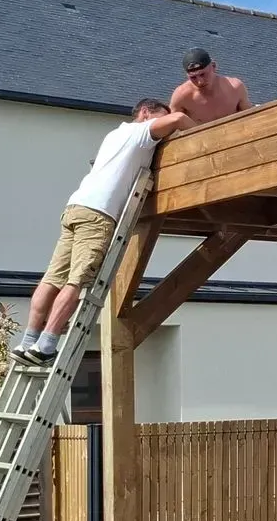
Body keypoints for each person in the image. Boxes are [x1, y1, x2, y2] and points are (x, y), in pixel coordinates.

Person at [14, 99, 193, 366]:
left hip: (75, 207)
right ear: (145, 113)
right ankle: (46, 345)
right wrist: (199, 130)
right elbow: (178, 119)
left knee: (52, 279)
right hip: (98, 215)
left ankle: (28, 341)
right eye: (158, 118)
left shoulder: (114, 134)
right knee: (76, 281)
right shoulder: (140, 133)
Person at [169, 46, 251, 124]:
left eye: (203, 74)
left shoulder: (235, 88)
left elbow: (251, 118)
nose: (200, 82)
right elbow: (171, 128)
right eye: (193, 77)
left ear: (214, 66)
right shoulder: (181, 97)